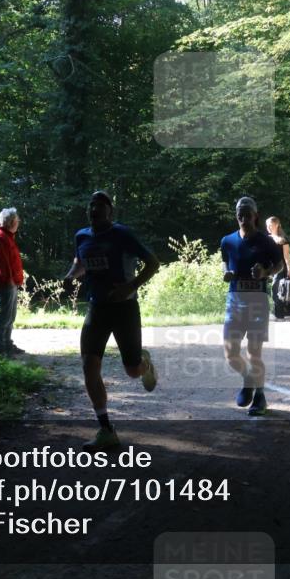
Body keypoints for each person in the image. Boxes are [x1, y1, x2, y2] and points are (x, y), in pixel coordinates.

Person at [63, 191, 161, 451]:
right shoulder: (81, 236)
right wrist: (71, 275)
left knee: (132, 371)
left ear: (110, 211)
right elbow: (80, 262)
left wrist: (130, 286)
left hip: (124, 309)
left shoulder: (122, 234)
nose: (93, 209)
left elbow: (153, 263)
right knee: (89, 365)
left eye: (99, 205)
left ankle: (144, 364)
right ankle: (106, 430)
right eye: (90, 205)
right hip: (97, 309)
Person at [221, 197, 283, 416]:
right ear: (236, 215)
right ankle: (248, 379)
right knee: (230, 354)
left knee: (254, 353)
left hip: (257, 303)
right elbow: (225, 262)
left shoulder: (266, 242)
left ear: (255, 216)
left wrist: (266, 272)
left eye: (247, 214)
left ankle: (259, 396)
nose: (243, 218)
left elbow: (279, 264)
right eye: (240, 214)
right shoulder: (227, 241)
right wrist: (226, 273)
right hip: (235, 302)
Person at [0, 207, 25, 357]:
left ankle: (7, 344)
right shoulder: (0, 237)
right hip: (5, 283)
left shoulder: (6, 236)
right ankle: (0, 349)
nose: (18, 222)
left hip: (10, 282)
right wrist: (9, 281)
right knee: (4, 316)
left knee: (10, 316)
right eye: (17, 220)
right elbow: (2, 263)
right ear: (10, 222)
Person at [266, 216, 290, 319]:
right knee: (283, 290)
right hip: (272, 268)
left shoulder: (283, 239)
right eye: (267, 225)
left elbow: (286, 256)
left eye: (271, 225)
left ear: (277, 225)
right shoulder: (267, 238)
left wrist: (289, 269)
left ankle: (278, 314)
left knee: (276, 289)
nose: (269, 227)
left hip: (282, 268)